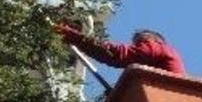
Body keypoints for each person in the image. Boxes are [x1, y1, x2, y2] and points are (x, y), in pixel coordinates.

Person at [54, 24, 186, 75]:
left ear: (155, 40)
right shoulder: (152, 69)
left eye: (142, 42)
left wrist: (70, 35)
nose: (139, 46)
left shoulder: (161, 49)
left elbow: (115, 54)